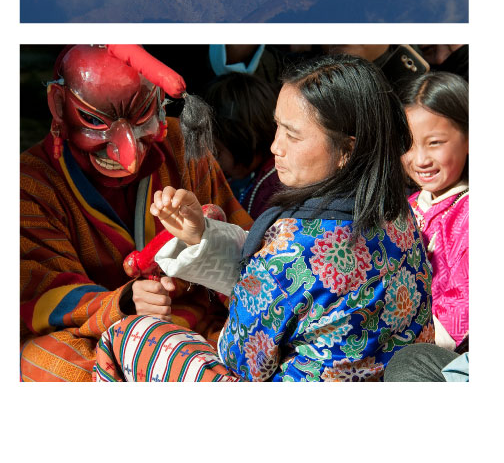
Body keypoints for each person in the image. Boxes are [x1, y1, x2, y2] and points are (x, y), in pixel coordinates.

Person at [95, 54, 433, 382]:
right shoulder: (398, 213)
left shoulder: (294, 246)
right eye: (277, 127)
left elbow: (239, 358)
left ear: (347, 150)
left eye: (292, 134)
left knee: (129, 335)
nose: (275, 146)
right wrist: (201, 235)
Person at [20, 43, 251, 381]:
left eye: (142, 117)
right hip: (94, 333)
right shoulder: (31, 182)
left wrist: (203, 230)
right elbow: (39, 286)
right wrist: (123, 301)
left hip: (193, 320)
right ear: (58, 104)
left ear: (159, 101)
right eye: (95, 122)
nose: (127, 153)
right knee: (41, 361)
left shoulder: (182, 146)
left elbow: (247, 250)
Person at [401, 71, 468, 350]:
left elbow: (463, 303)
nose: (420, 159)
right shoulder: (410, 203)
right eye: (408, 144)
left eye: (435, 143)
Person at [205, 72, 280, 219]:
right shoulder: (238, 179)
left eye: (217, 152)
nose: (213, 160)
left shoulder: (273, 187)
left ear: (241, 139)